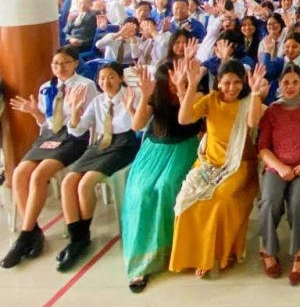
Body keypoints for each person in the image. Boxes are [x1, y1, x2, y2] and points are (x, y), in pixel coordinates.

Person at [1, 47, 99, 269]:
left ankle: (24, 238)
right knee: (19, 174)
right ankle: (33, 231)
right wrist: (35, 113)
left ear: (75, 63)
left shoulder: (86, 86)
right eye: (55, 64)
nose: (60, 68)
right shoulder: (47, 88)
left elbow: (90, 121)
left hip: (75, 136)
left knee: (39, 175)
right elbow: (46, 125)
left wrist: (75, 113)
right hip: (49, 136)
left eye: (65, 63)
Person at [170, 59, 269, 278]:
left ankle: (217, 255)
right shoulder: (211, 100)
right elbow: (184, 118)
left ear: (243, 83)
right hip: (209, 164)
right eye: (226, 83)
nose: (231, 88)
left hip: (239, 167)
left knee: (220, 200)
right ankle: (193, 255)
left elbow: (253, 123)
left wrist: (254, 93)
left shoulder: (247, 102)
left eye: (236, 82)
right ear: (218, 83)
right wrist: (191, 85)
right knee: (186, 201)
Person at [120, 63, 202, 293]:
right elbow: (137, 125)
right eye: (170, 80)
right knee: (142, 191)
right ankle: (141, 261)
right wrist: (145, 95)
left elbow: (190, 120)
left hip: (183, 149)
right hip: (154, 150)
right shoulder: (155, 97)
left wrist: (184, 87)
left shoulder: (194, 92)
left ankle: (174, 250)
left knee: (167, 187)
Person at [56, 62, 143, 272]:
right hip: (101, 143)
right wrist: (75, 113)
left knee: (85, 183)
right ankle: (76, 236)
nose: (106, 82)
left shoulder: (131, 95)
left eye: (111, 77)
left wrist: (131, 108)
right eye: (102, 78)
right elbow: (78, 131)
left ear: (121, 78)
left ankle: (81, 236)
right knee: (69, 181)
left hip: (123, 144)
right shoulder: (97, 101)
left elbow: (139, 128)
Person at [257, 64, 300, 285]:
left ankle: (299, 251)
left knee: (298, 201)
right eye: (285, 82)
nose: (290, 87)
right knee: (269, 201)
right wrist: (280, 167)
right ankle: (268, 250)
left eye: (295, 82)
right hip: (278, 167)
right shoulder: (272, 110)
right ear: (279, 85)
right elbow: (263, 147)